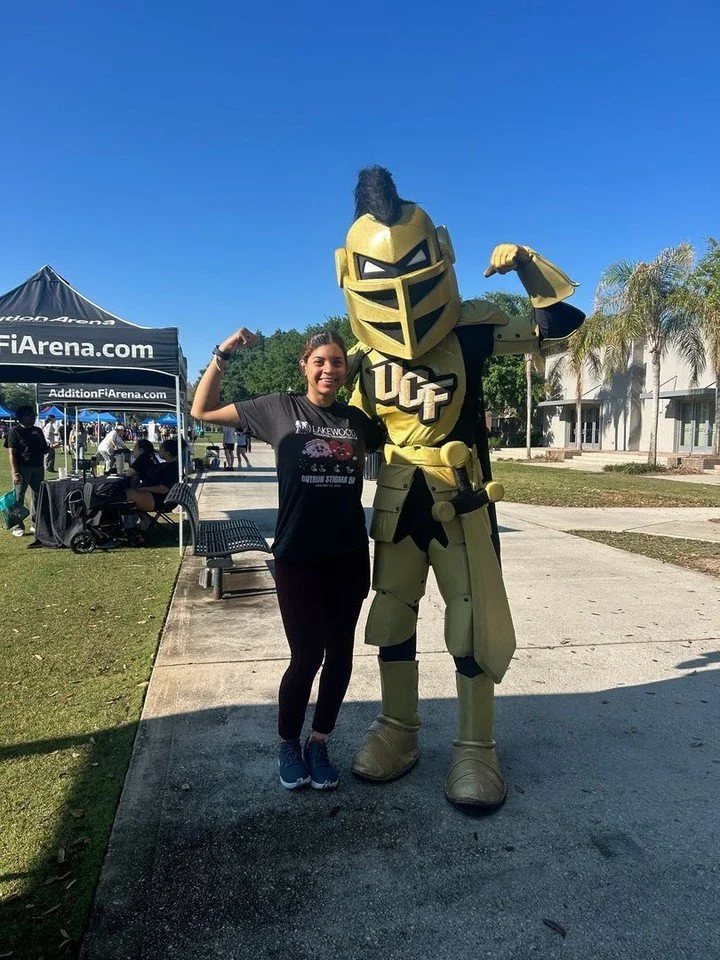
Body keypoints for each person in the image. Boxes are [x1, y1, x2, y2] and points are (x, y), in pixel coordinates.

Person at [337, 167, 586, 813]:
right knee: (391, 615)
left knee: (471, 623)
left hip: (462, 496)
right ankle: (398, 729)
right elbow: (355, 431)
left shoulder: (473, 329)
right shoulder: (363, 358)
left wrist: (529, 265)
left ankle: (477, 747)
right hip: (397, 496)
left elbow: (558, 324)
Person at [191, 328, 384, 792]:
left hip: (349, 554)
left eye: (337, 362)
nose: (328, 370)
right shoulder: (279, 409)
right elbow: (201, 410)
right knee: (306, 657)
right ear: (304, 366)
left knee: (340, 654)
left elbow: (403, 436)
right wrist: (222, 355)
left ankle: (319, 741)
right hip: (298, 555)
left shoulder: (356, 421)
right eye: (320, 361)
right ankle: (287, 742)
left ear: (345, 369)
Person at [5, 404, 48, 537]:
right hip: (22, 468)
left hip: (38, 467)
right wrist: (15, 472)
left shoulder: (38, 430)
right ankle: (17, 525)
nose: (33, 417)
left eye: (34, 415)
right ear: (22, 417)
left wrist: (51, 448)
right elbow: (11, 453)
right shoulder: (15, 431)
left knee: (37, 496)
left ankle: (36, 523)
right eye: (30, 415)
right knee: (19, 497)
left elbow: (43, 448)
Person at [124, 440, 179, 514]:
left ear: (167, 452)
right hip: (156, 497)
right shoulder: (166, 465)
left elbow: (163, 489)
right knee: (122, 493)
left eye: (160, 449)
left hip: (160, 500)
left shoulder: (171, 468)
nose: (158, 451)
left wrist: (141, 489)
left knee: (124, 495)